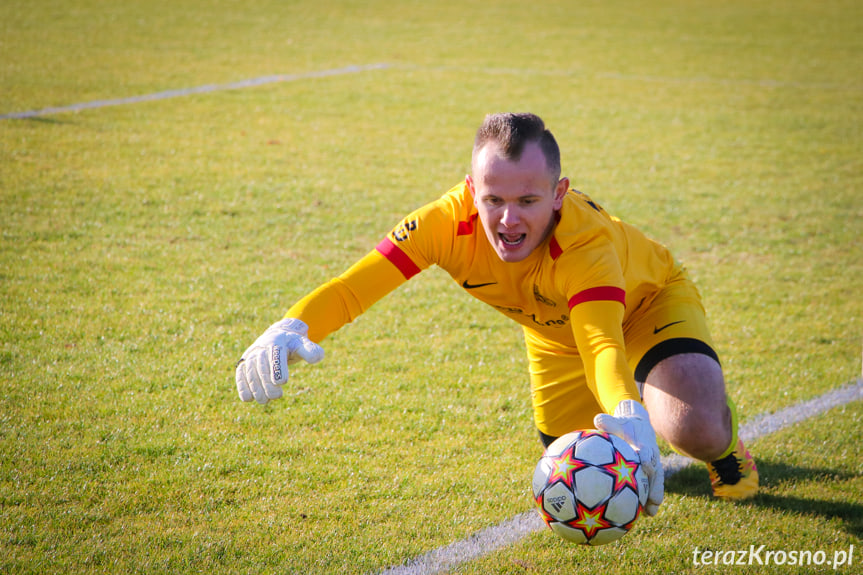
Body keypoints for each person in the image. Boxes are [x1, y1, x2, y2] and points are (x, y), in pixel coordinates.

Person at [234, 112, 759, 514]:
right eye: (493, 200)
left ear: (559, 194)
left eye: (528, 200)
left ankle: (723, 445)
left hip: (647, 306)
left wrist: (626, 409)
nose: (508, 220)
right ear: (470, 190)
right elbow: (355, 288)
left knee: (690, 428)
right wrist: (295, 323)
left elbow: (602, 343)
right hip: (554, 335)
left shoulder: (586, 243)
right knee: (574, 460)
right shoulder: (443, 223)